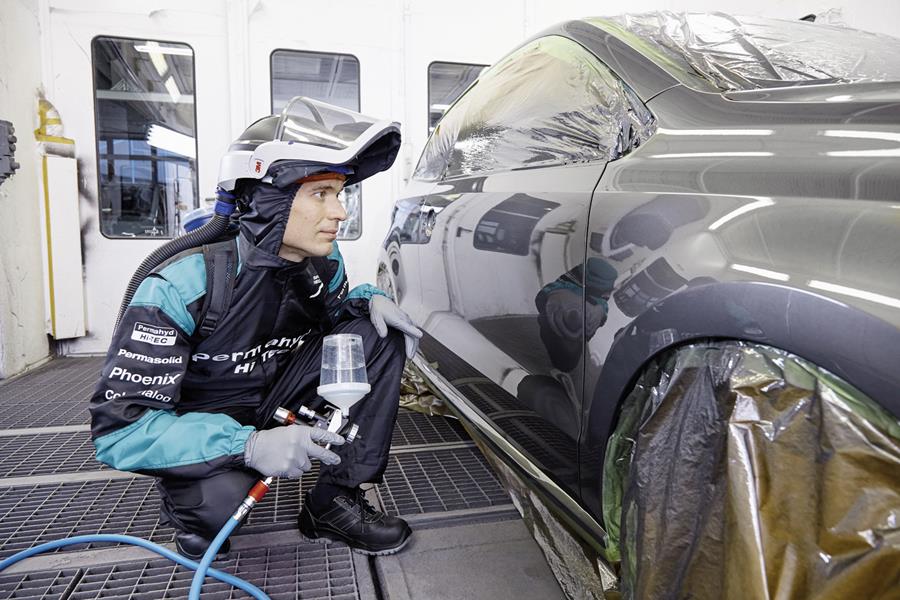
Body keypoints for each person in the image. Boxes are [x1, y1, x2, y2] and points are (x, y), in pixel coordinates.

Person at [89, 98, 421, 559]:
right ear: (270, 197)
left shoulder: (322, 264)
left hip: (278, 397)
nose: (340, 212)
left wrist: (367, 298)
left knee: (378, 335)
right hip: (210, 420)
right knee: (219, 507)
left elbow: (338, 311)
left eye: (340, 194)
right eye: (320, 194)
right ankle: (192, 507)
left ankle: (334, 501)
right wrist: (246, 445)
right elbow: (120, 432)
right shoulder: (184, 282)